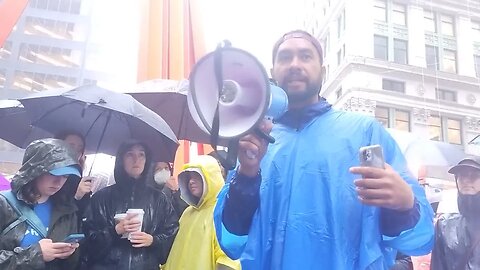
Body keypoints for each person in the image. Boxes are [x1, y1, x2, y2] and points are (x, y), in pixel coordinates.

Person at [213, 30, 434, 269]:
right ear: (273, 72)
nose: (295, 64)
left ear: (323, 71)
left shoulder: (364, 133)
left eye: (305, 56)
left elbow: (418, 239)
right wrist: (246, 176)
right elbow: (232, 239)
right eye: (285, 57)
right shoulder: (256, 142)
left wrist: (404, 205)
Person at [81, 140, 179, 270]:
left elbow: (172, 233)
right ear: (121, 159)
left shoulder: (159, 200)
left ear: (147, 160)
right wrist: (114, 231)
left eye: (141, 155)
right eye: (130, 154)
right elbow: (88, 241)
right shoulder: (101, 198)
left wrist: (153, 240)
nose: (136, 160)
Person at [0, 138, 83, 270]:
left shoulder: (67, 211)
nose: (59, 182)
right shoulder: (4, 203)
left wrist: (69, 254)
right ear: (35, 171)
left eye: (65, 176)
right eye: (53, 174)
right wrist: (36, 254)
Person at [162, 155, 240, 270]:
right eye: (189, 177)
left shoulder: (224, 213)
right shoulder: (187, 213)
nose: (191, 181)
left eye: (197, 176)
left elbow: (228, 258)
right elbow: (174, 250)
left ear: (210, 177)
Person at [430, 157, 480, 269]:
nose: (466, 180)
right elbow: (438, 265)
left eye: (474, 175)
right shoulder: (444, 225)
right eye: (462, 176)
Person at [54, 130, 92, 216]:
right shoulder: (49, 174)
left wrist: (80, 196)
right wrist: (76, 197)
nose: (76, 152)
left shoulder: (79, 180)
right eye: (71, 146)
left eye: (80, 148)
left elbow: (81, 216)